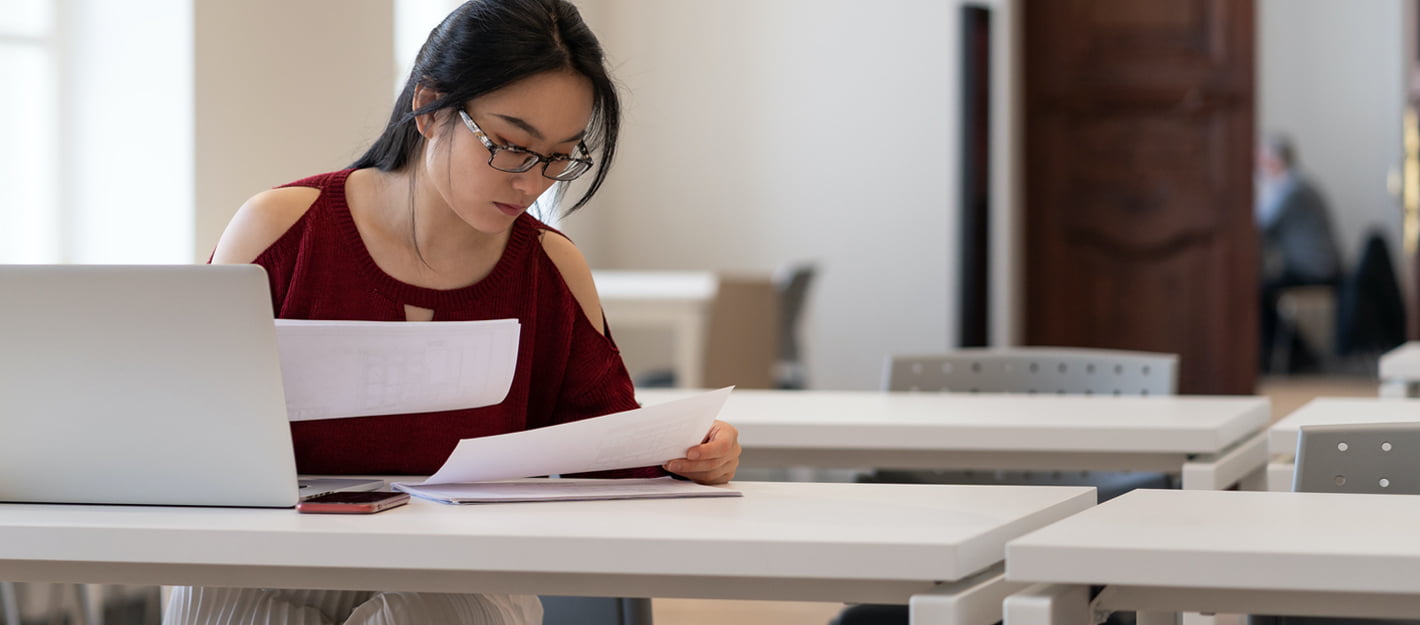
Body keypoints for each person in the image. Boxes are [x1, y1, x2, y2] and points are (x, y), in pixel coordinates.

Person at [164, 1, 741, 623]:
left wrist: (694, 456)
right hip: (274, 554)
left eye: (558, 157)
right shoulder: (282, 231)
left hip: (457, 569)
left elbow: (611, 448)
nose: (530, 184)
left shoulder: (549, 268)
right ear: (429, 107)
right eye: (511, 146)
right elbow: (190, 421)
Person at [1256, 133, 1343, 373]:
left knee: (1258, 293)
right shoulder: (1295, 185)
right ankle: (1299, 354)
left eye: (1262, 160)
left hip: (1316, 269)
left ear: (1274, 160)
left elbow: (1263, 225)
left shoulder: (1293, 188)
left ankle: (1297, 356)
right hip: (1312, 266)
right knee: (1261, 290)